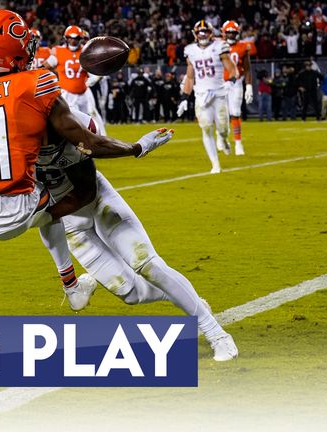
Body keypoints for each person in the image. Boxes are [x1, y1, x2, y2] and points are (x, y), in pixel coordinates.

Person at [0, 9, 173, 316]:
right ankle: (71, 285)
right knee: (52, 215)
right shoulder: (34, 84)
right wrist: (137, 148)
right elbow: (85, 141)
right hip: (22, 205)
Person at [36, 111, 238, 361]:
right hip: (66, 222)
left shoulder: (65, 119)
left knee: (147, 264)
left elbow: (86, 187)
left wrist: (138, 147)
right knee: (131, 294)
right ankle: (185, 297)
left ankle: (216, 333)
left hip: (94, 198)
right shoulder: (4, 146)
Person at [177, 20, 238, 174]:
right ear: (195, 34)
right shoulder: (190, 50)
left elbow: (233, 69)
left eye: (205, 31)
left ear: (211, 33)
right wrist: (184, 98)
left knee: (223, 128)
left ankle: (223, 139)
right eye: (199, 32)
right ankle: (215, 164)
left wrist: (231, 81)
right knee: (205, 128)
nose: (202, 35)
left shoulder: (219, 46)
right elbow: (190, 77)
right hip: (201, 95)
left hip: (218, 93)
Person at [46, 25, 107, 135]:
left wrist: (96, 76)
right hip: (66, 93)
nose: (73, 41)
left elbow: (96, 69)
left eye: (76, 38)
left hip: (84, 91)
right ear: (66, 38)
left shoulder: (85, 52)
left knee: (93, 114)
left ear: (80, 39)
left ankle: (102, 138)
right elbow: (44, 67)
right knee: (71, 118)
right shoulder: (58, 51)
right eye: (71, 38)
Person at [221, 20, 253, 156]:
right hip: (220, 84)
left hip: (236, 83)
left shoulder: (242, 47)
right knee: (221, 114)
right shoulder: (217, 46)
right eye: (228, 33)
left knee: (235, 112)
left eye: (233, 33)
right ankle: (221, 138)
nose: (231, 36)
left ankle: (238, 143)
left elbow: (247, 69)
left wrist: (249, 86)